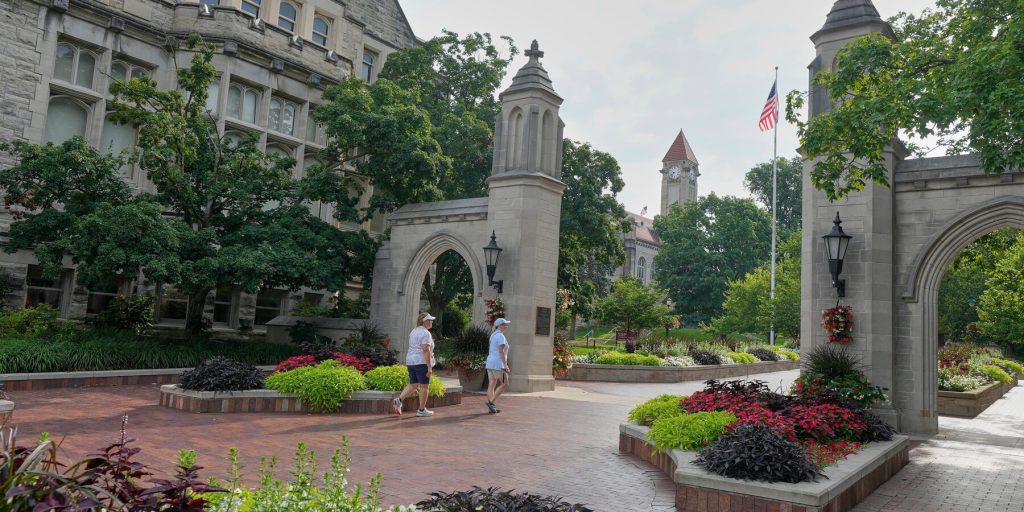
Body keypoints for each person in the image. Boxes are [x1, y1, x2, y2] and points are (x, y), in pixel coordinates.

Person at [392, 312, 436, 417]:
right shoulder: (426, 333)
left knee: (414, 384)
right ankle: (421, 410)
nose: (431, 322)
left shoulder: (413, 331)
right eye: (430, 320)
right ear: (424, 321)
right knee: (424, 386)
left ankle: (399, 400)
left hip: (411, 361)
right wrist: (429, 367)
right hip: (421, 362)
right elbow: (426, 350)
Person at [485, 318, 511, 414]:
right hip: (497, 363)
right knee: (505, 383)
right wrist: (505, 365)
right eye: (504, 324)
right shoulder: (500, 336)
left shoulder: (493, 335)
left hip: (490, 362)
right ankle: (491, 403)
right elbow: (502, 351)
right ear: (499, 325)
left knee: (491, 383)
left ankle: (491, 407)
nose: (506, 326)